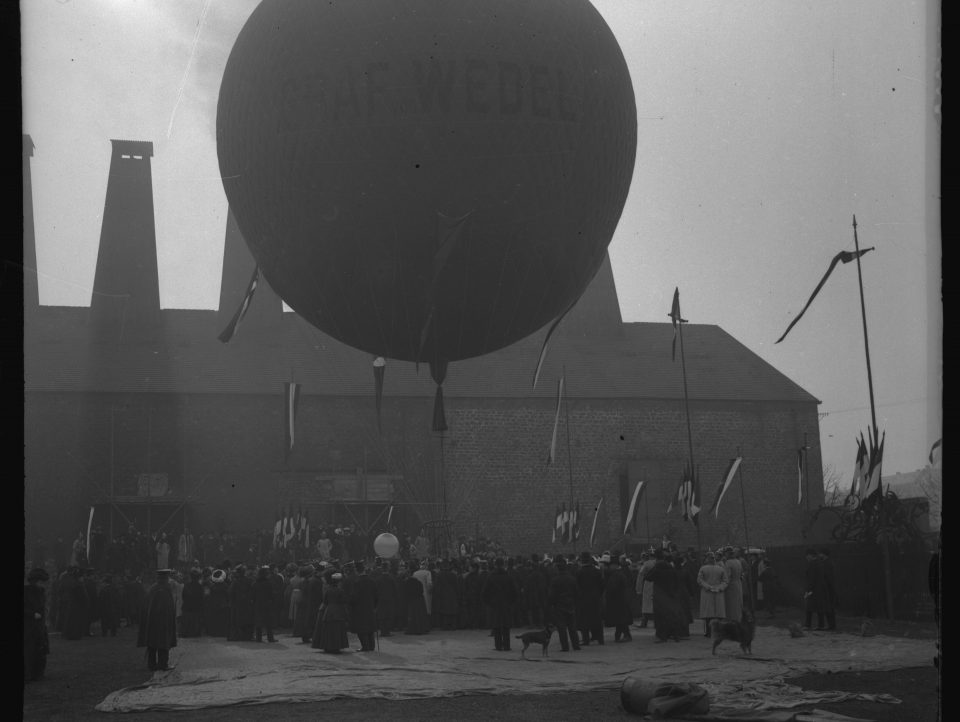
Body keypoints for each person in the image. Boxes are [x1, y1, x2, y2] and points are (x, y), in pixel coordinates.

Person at [137, 569, 177, 672]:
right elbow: (165, 607)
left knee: (152, 643)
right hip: (162, 621)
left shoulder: (153, 588)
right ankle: (163, 664)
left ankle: (152, 664)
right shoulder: (164, 589)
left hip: (152, 621)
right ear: (165, 578)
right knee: (163, 643)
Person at [644, 549, 687, 642]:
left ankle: (662, 636)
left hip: (659, 595)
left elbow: (648, 577)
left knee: (660, 617)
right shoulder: (671, 568)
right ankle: (675, 635)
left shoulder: (657, 568)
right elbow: (676, 581)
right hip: (670, 594)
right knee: (671, 615)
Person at [482, 557, 518, 651]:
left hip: (494, 604)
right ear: (503, 564)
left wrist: (489, 603)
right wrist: (511, 602)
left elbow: (485, 592)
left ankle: (498, 646)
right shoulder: (508, 576)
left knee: (496, 625)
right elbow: (514, 592)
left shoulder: (491, 577)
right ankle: (507, 645)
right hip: (506, 603)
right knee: (506, 625)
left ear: (495, 565)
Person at [547, 556, 580, 651]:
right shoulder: (572, 579)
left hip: (559, 605)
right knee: (572, 627)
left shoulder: (555, 580)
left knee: (562, 628)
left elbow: (551, 595)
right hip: (570, 604)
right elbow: (577, 592)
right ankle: (576, 645)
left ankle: (565, 647)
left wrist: (551, 604)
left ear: (558, 568)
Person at [24, 568, 51, 682]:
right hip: (28, 626)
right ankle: (28, 674)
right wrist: (32, 614)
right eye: (40, 582)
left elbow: (43, 607)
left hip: (40, 626)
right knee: (29, 650)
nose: (42, 584)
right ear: (34, 581)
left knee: (40, 648)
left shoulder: (41, 591)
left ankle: (38, 673)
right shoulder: (26, 591)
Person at [313, 572, 350, 653]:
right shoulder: (340, 591)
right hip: (338, 611)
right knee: (337, 630)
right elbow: (343, 601)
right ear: (338, 582)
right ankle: (336, 647)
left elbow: (325, 601)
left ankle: (328, 646)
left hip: (328, 611)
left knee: (328, 630)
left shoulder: (328, 590)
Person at [576, 552, 605, 646]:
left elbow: (577, 586)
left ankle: (586, 639)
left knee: (584, 620)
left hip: (583, 599)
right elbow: (602, 585)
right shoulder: (597, 571)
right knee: (597, 619)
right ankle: (600, 639)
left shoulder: (579, 572)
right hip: (595, 598)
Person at [348, 561, 378, 651]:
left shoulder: (357, 582)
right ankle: (371, 646)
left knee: (361, 629)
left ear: (357, 571)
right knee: (370, 628)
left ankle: (365, 646)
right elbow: (376, 595)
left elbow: (354, 597)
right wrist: (374, 605)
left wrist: (350, 603)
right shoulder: (372, 581)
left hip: (359, 608)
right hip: (370, 607)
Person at [696, 552, 727, 636]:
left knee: (709, 613)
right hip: (717, 592)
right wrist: (719, 588)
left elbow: (699, 580)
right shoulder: (720, 568)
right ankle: (718, 631)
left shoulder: (703, 568)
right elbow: (725, 581)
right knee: (717, 612)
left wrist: (708, 587)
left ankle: (709, 632)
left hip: (707, 592)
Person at [603, 556, 633, 642]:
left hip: (618, 600)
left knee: (621, 619)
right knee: (620, 619)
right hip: (620, 599)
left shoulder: (617, 574)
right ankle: (618, 635)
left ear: (615, 565)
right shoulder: (619, 573)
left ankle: (626, 635)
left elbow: (612, 587)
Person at [803, 548, 828, 630]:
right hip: (820, 589)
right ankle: (821, 625)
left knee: (808, 607)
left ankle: (808, 624)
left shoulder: (812, 564)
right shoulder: (820, 563)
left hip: (813, 589)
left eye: (807, 556)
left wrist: (808, 590)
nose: (806, 557)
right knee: (819, 608)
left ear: (810, 555)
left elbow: (811, 578)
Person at [253, 566, 278, 643]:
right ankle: (270, 638)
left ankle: (258, 638)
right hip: (267, 604)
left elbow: (253, 595)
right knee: (268, 622)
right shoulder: (269, 583)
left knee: (258, 622)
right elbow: (272, 594)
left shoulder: (255, 583)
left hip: (258, 604)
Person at [818, 548, 838, 631]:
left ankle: (831, 625)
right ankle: (831, 625)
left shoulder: (827, 563)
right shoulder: (828, 562)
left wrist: (825, 586)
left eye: (820, 553)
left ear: (824, 554)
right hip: (828, 587)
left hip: (827, 588)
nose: (819, 555)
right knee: (829, 607)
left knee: (829, 607)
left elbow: (827, 577)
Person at [180, 568, 204, 637]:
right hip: (196, 609)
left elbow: (183, 596)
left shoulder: (186, 585)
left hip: (187, 608)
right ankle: (195, 632)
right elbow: (202, 598)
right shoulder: (200, 587)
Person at [722, 547, 743, 623]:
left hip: (731, 585)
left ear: (727, 554)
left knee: (731, 603)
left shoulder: (728, 563)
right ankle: (738, 618)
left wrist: (723, 586)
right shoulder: (738, 561)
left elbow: (727, 576)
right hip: (738, 583)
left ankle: (732, 619)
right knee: (738, 602)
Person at [635, 552, 655, 628]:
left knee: (646, 604)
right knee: (654, 603)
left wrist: (638, 589)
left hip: (647, 584)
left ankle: (644, 622)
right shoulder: (656, 562)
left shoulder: (646, 564)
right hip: (655, 584)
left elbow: (640, 576)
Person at [758, 553, 778, 617]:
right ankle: (773, 612)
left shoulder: (764, 571)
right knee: (773, 600)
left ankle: (770, 613)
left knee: (767, 600)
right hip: (773, 587)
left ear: (765, 564)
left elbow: (760, 579)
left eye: (764, 564)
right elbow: (776, 577)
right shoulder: (773, 570)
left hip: (766, 587)